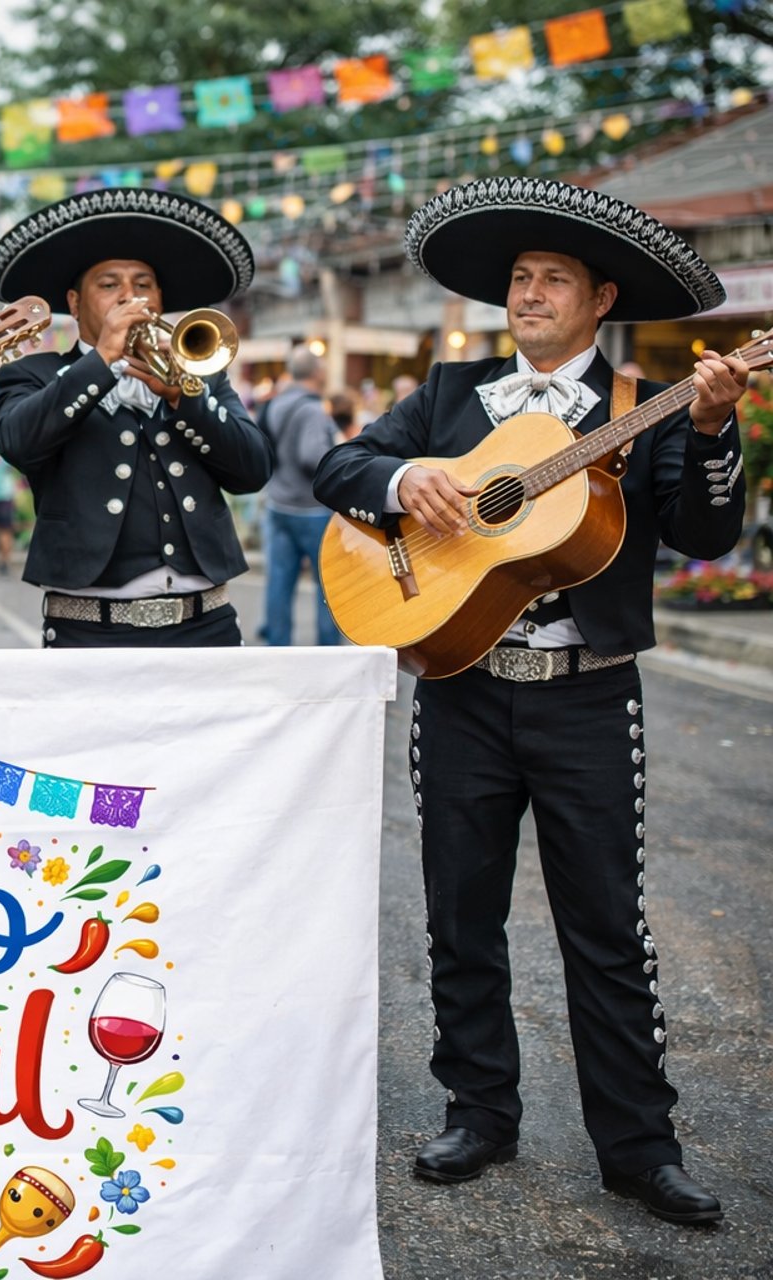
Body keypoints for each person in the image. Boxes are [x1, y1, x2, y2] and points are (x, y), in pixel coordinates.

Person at [313, 177, 747, 1223]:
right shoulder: (454, 392)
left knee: (605, 926)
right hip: (462, 689)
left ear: (601, 299)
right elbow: (339, 465)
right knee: (461, 915)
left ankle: (640, 1146)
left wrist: (720, 427)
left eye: (554, 278)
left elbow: (705, 535)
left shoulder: (643, 406)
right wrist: (406, 476)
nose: (532, 293)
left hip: (587, 698)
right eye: (520, 277)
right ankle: (479, 1109)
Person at [0, 189, 272, 647]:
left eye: (143, 284)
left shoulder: (199, 377)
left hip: (205, 623)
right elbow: (19, 443)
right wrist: (99, 363)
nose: (130, 297)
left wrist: (184, 396)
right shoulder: (33, 375)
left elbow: (253, 470)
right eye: (109, 284)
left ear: (159, 298)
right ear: (75, 304)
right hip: (89, 628)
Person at [258, 348, 341, 646]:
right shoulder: (312, 409)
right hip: (312, 509)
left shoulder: (276, 403)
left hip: (279, 503)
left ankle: (277, 648)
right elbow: (312, 456)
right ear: (317, 373)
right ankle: (329, 652)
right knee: (328, 587)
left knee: (279, 583)